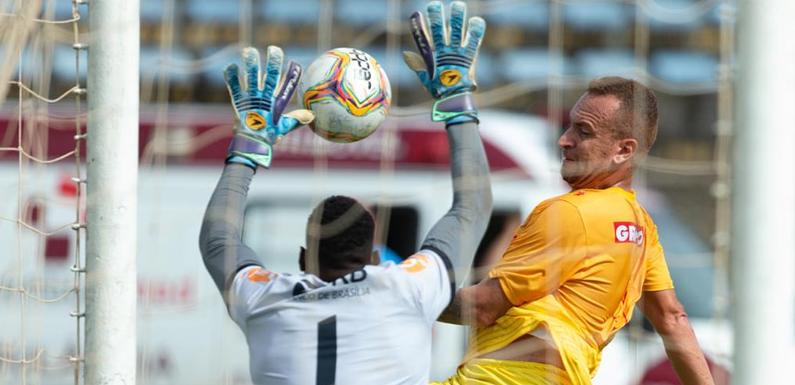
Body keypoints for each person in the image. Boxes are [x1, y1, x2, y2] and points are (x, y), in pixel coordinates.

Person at [199, 2, 490, 384]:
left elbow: (218, 240)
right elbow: (473, 206)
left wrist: (248, 147)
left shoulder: (264, 300)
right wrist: (456, 97)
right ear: (375, 258)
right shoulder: (407, 288)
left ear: (303, 259)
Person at [435, 77, 716, 385]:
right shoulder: (640, 226)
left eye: (583, 131)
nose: (564, 140)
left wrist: (407, 292)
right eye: (570, 126)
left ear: (624, 150)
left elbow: (482, 307)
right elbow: (672, 319)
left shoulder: (569, 212)